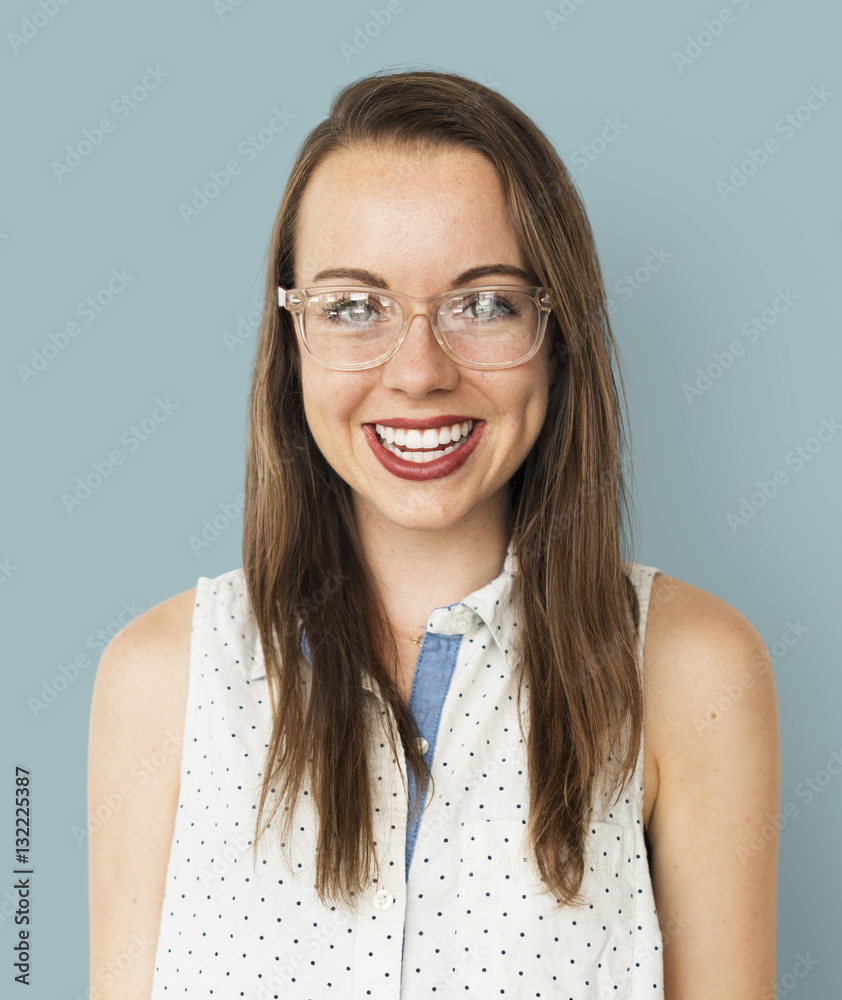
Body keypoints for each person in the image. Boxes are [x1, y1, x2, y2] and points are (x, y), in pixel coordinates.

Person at [87, 68, 780, 998]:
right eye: (353, 307)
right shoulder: (158, 681)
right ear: (292, 338)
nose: (417, 372)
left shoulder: (693, 671)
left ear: (558, 328)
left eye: (484, 303)